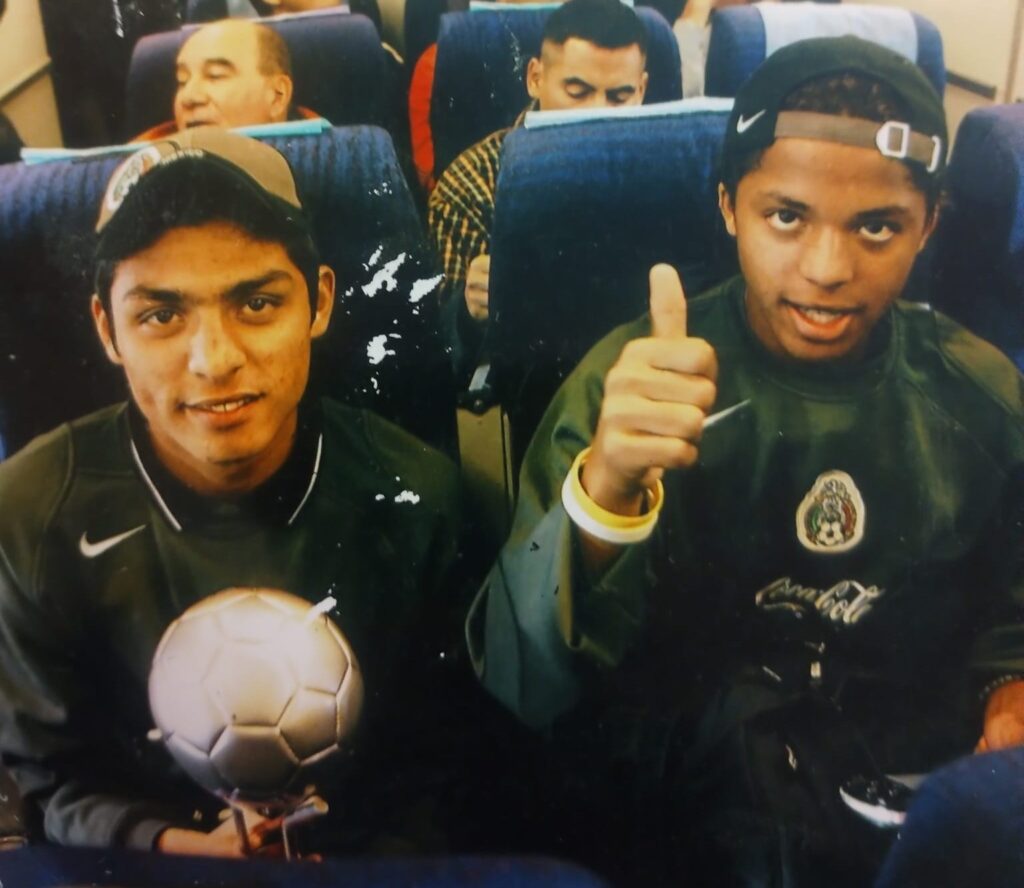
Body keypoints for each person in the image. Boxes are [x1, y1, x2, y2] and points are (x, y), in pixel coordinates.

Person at [467, 36, 1024, 884]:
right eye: (786, 217)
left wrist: (1009, 691)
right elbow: (521, 684)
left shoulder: (983, 397)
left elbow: (1011, 609)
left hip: (903, 777)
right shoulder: (630, 383)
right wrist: (608, 491)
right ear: (729, 207)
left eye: (877, 226)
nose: (827, 270)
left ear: (930, 227)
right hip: (683, 798)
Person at [0, 127, 464, 856]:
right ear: (108, 330)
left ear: (318, 303)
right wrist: (168, 848)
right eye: (161, 315)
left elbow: (446, 773)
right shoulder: (29, 515)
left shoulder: (420, 498)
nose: (213, 360)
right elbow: (53, 785)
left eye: (256, 304)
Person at [428, 0, 648, 381]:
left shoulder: (671, 173)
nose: (597, 113)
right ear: (535, 77)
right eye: (577, 92)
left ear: (641, 90)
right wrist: (468, 313)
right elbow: (439, 365)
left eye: (619, 97)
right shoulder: (470, 186)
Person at [133, 20, 318, 141]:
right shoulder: (137, 165)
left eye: (215, 75)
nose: (189, 97)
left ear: (278, 96)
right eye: (183, 81)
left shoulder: (325, 163)